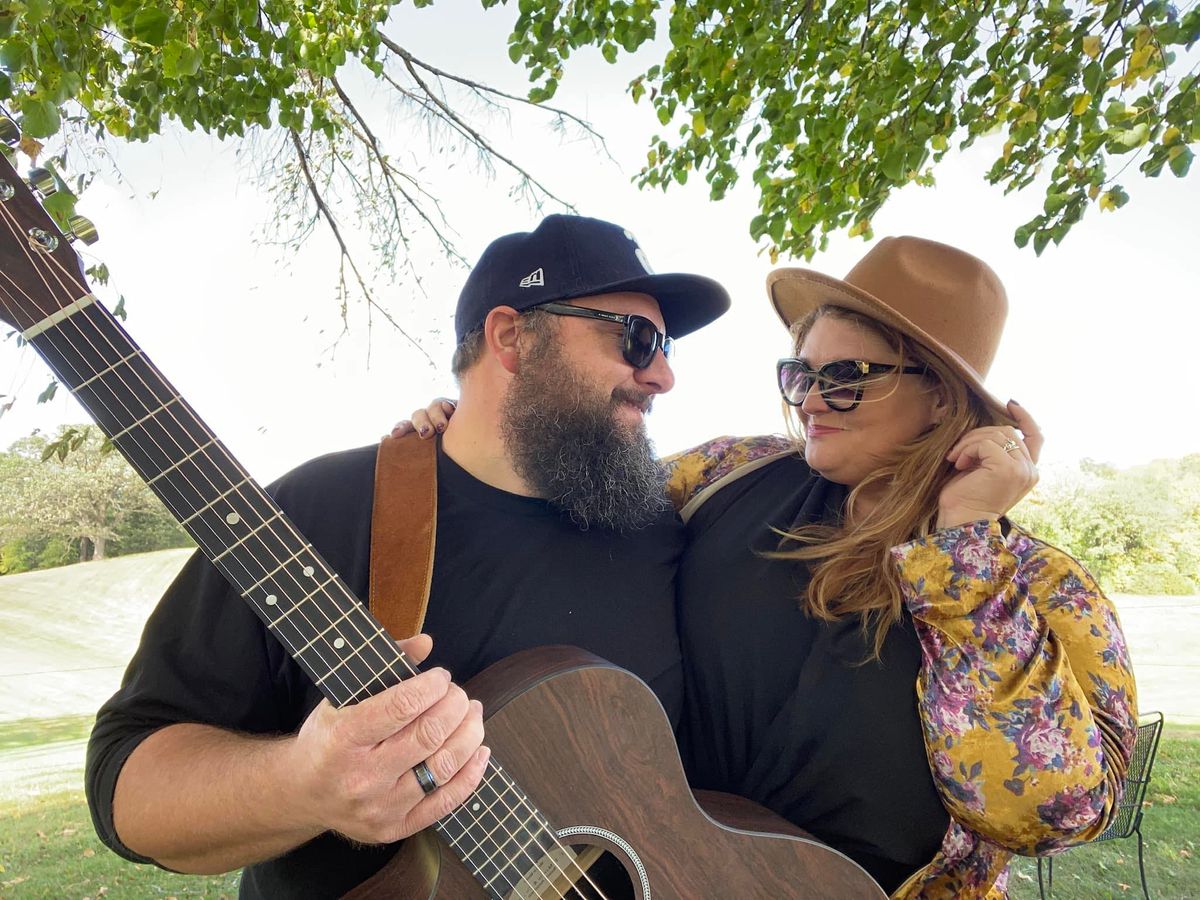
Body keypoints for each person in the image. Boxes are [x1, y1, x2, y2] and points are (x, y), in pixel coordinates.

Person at [401, 236, 1138, 898]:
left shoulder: (1039, 587)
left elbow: (1045, 813)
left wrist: (965, 547)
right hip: (661, 876)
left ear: (941, 396)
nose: (813, 400)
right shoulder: (730, 474)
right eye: (801, 374)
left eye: (847, 377)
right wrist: (474, 424)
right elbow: (577, 487)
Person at [85, 214, 730, 897]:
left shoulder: (663, 527)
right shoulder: (310, 515)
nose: (662, 376)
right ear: (512, 338)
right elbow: (126, 783)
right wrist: (302, 788)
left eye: (665, 349)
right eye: (637, 340)